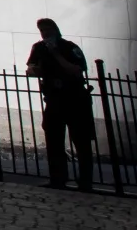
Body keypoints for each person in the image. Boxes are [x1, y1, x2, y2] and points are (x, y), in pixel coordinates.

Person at [27, 18, 96, 191]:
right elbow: (31, 69)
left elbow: (76, 69)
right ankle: (58, 178)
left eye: (48, 30)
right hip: (54, 98)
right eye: (42, 31)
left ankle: (85, 181)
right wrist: (37, 69)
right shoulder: (39, 48)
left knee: (81, 141)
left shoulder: (69, 47)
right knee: (54, 140)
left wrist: (56, 54)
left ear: (56, 30)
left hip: (75, 98)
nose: (45, 34)